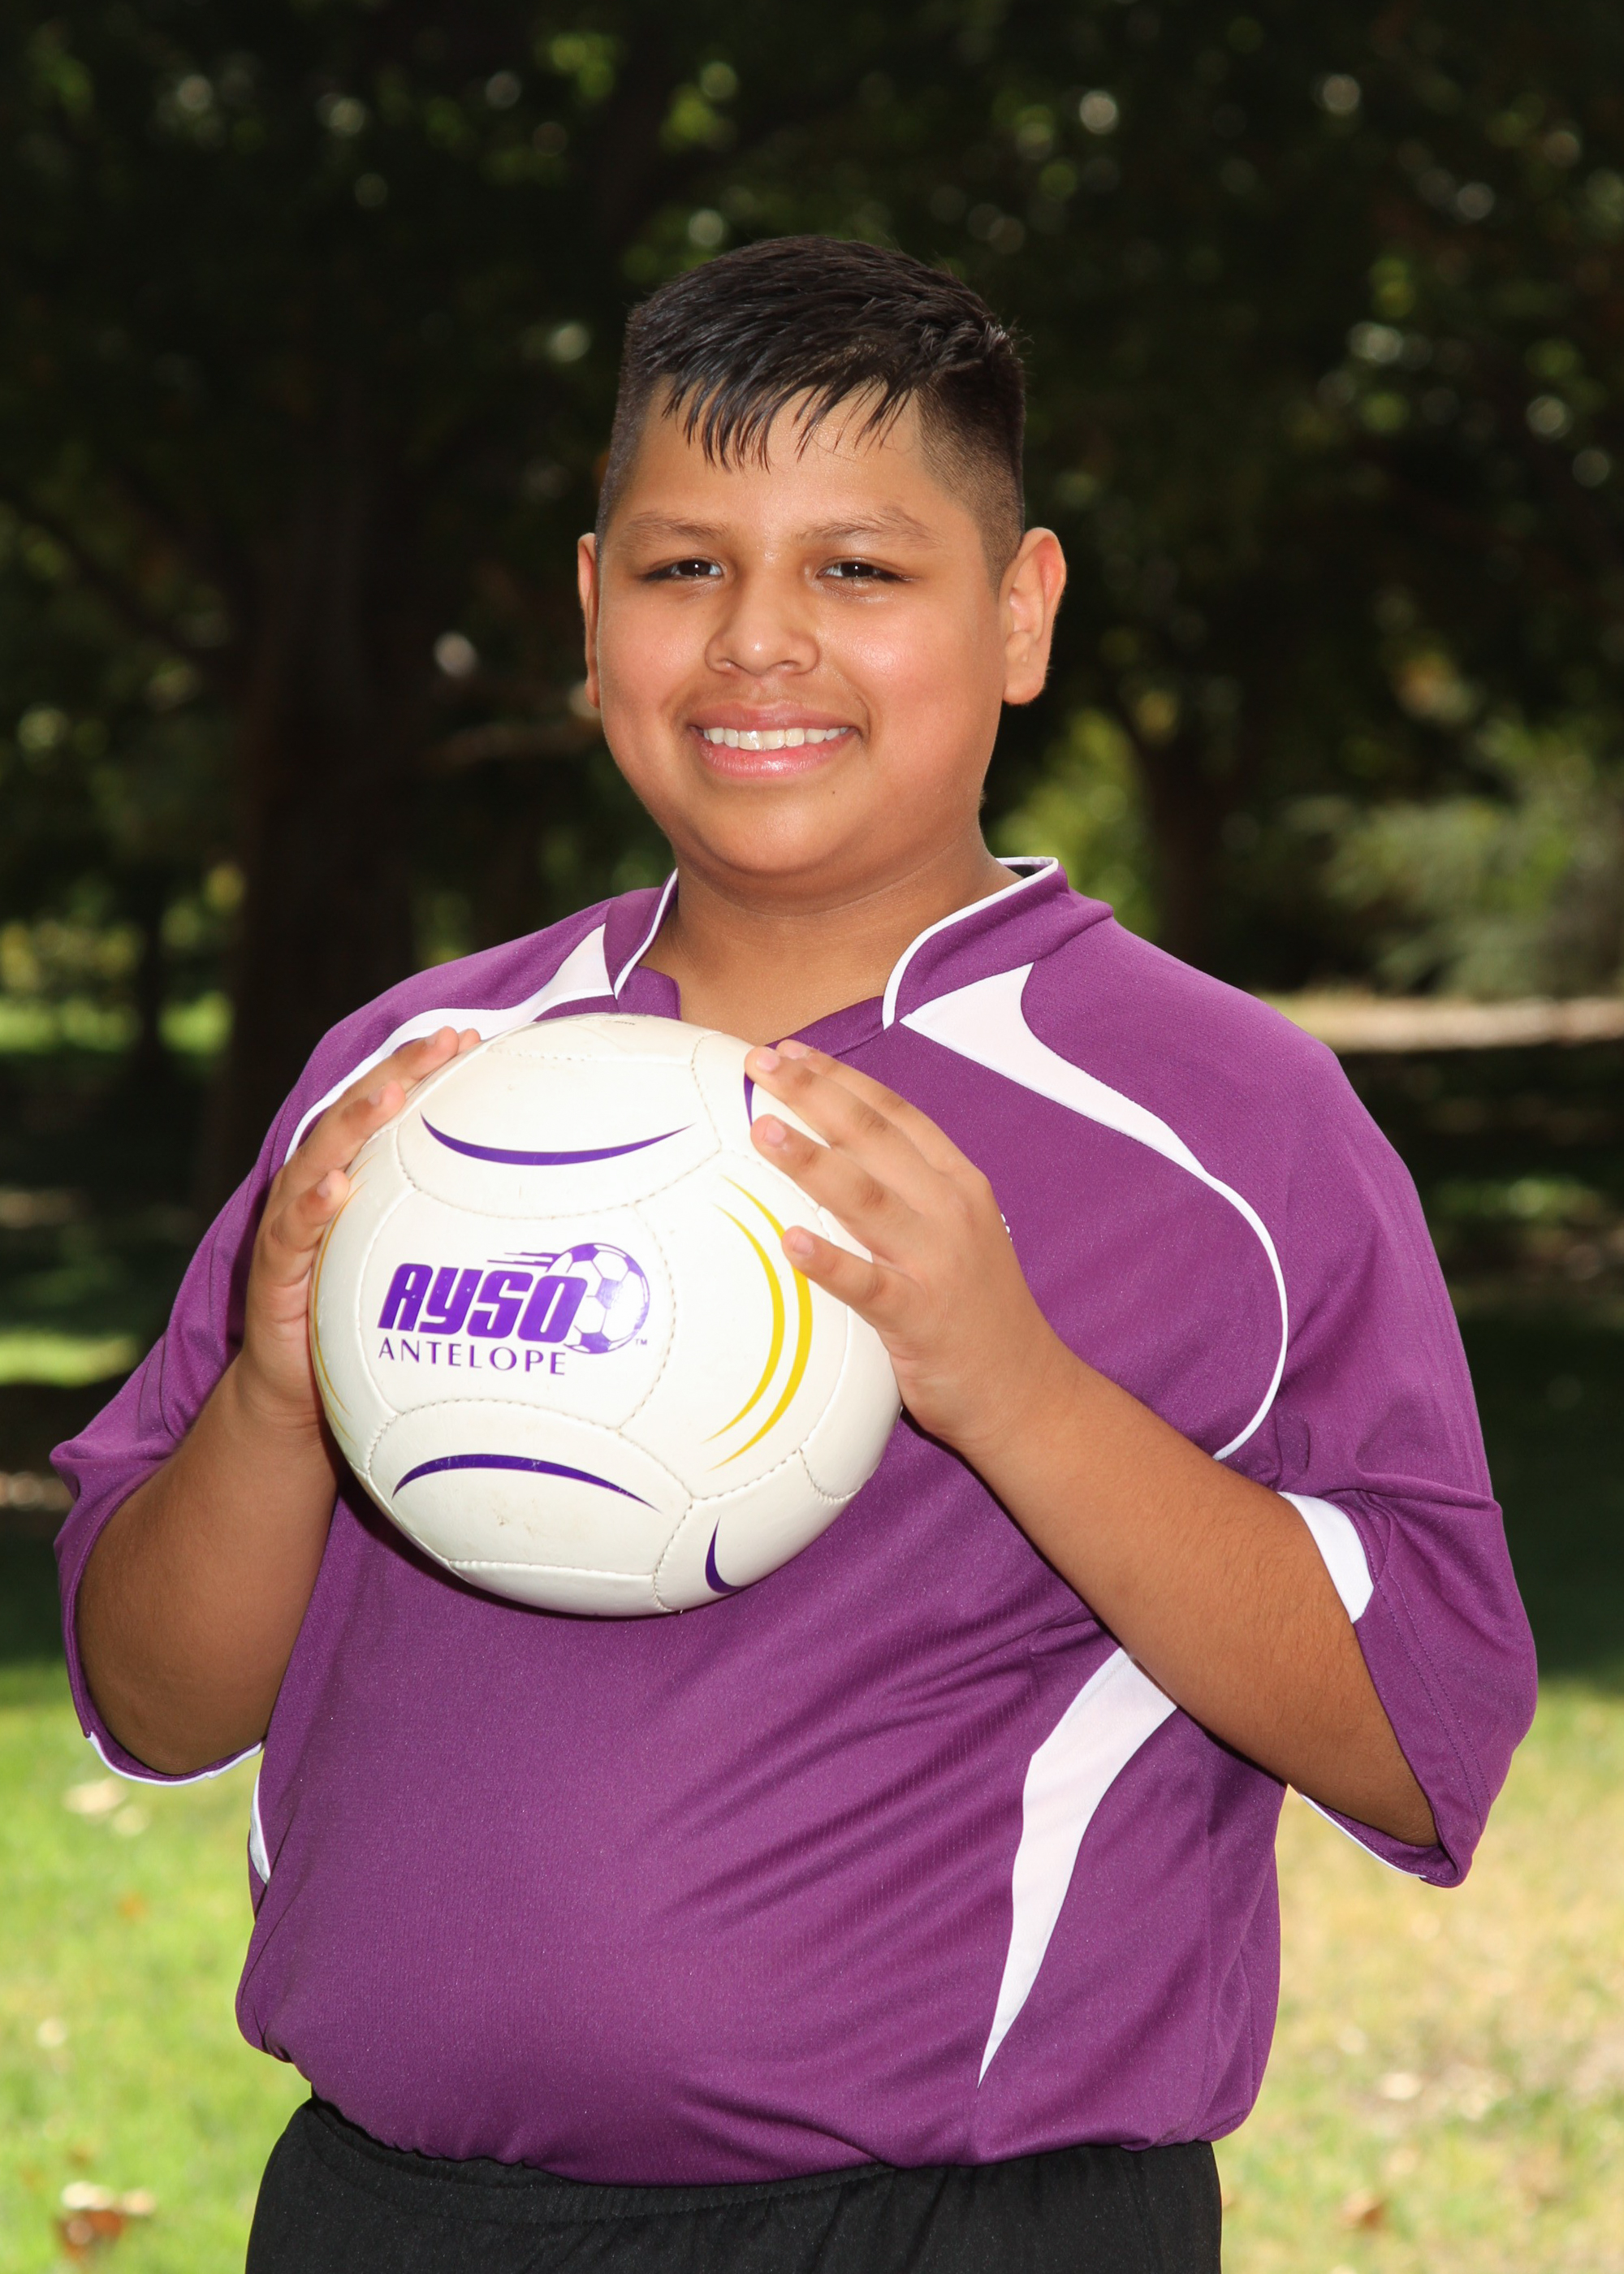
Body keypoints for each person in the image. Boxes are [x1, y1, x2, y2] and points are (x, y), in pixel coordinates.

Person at [54, 237, 1535, 2273]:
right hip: (394, 2212)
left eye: (857, 567)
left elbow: (1421, 1732)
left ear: (1018, 612)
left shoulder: (1228, 1119)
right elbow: (150, 1697)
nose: (760, 639)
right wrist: (278, 1391)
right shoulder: (414, 1086)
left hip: (959, 2224)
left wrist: (1012, 1385)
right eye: (686, 567)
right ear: (593, 610)